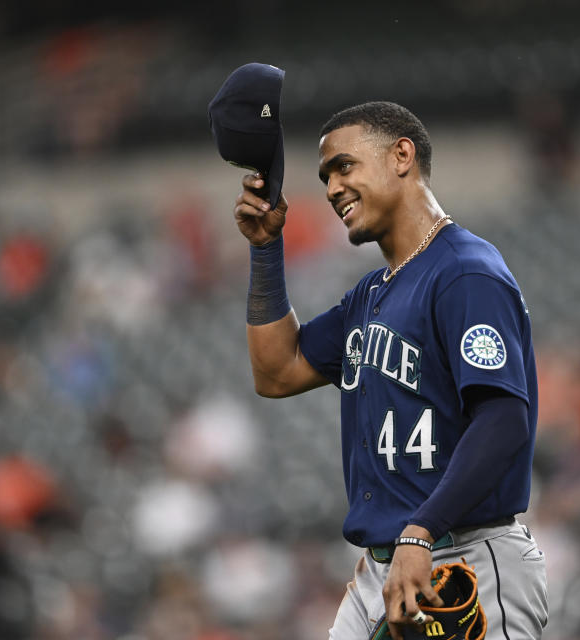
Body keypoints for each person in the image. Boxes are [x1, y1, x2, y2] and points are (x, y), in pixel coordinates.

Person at [231, 100, 548, 639]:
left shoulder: (465, 272)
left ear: (402, 155)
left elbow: (503, 420)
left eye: (344, 167)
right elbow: (276, 372)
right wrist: (265, 250)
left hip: (466, 558)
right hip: (386, 567)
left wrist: (421, 531)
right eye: (326, 177)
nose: (331, 189)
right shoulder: (370, 295)